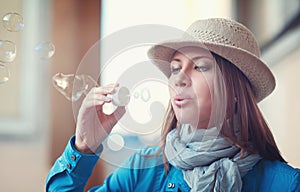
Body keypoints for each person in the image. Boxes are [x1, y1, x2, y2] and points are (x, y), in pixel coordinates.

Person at [46, 18, 300, 192]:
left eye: (199, 67)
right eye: (176, 68)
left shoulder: (286, 184)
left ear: (235, 91)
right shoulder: (146, 167)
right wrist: (84, 147)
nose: (178, 78)